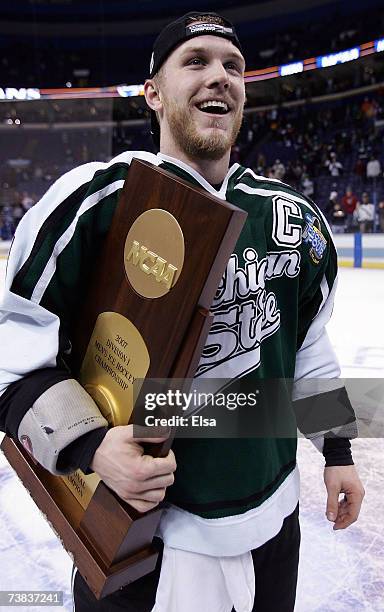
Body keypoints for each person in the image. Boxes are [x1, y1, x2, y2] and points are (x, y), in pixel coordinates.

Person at [0, 11, 364, 612]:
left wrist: (338, 452)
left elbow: (308, 349)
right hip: (145, 543)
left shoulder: (295, 218)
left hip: (276, 520)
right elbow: (13, 362)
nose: (218, 76)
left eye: (233, 67)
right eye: (194, 61)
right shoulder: (93, 201)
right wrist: (92, 448)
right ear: (153, 93)